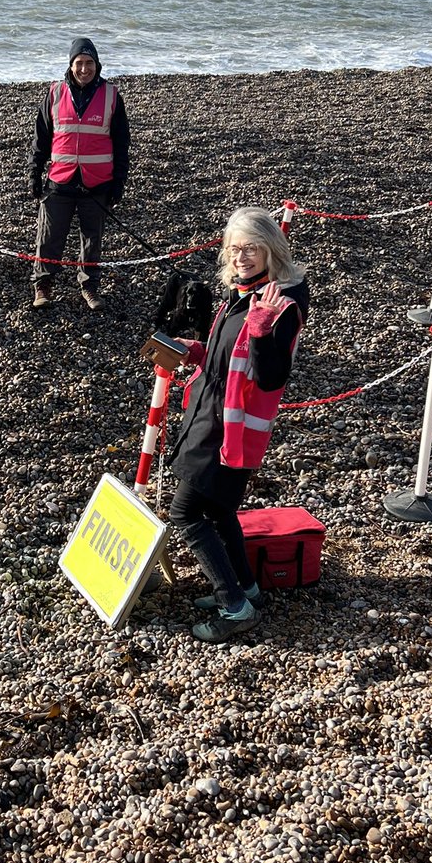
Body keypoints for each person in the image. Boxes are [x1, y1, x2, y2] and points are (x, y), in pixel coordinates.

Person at [168, 207, 309, 642]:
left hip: (229, 430)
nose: (240, 256)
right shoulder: (242, 293)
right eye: (233, 248)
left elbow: (271, 378)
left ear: (271, 249)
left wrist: (265, 334)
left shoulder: (278, 305)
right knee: (219, 508)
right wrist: (196, 351)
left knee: (186, 513)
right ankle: (247, 585)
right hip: (209, 415)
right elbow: (225, 354)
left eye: (250, 247)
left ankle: (235, 606)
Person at [28, 37, 130, 311]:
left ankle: (89, 287)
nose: (84, 69)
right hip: (60, 180)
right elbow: (41, 138)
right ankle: (43, 285)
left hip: (97, 182)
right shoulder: (54, 93)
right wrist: (35, 173)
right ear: (71, 65)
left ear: (97, 64)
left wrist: (119, 181)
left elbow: (121, 143)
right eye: (79, 63)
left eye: (89, 63)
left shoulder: (111, 95)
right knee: (49, 236)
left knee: (92, 238)